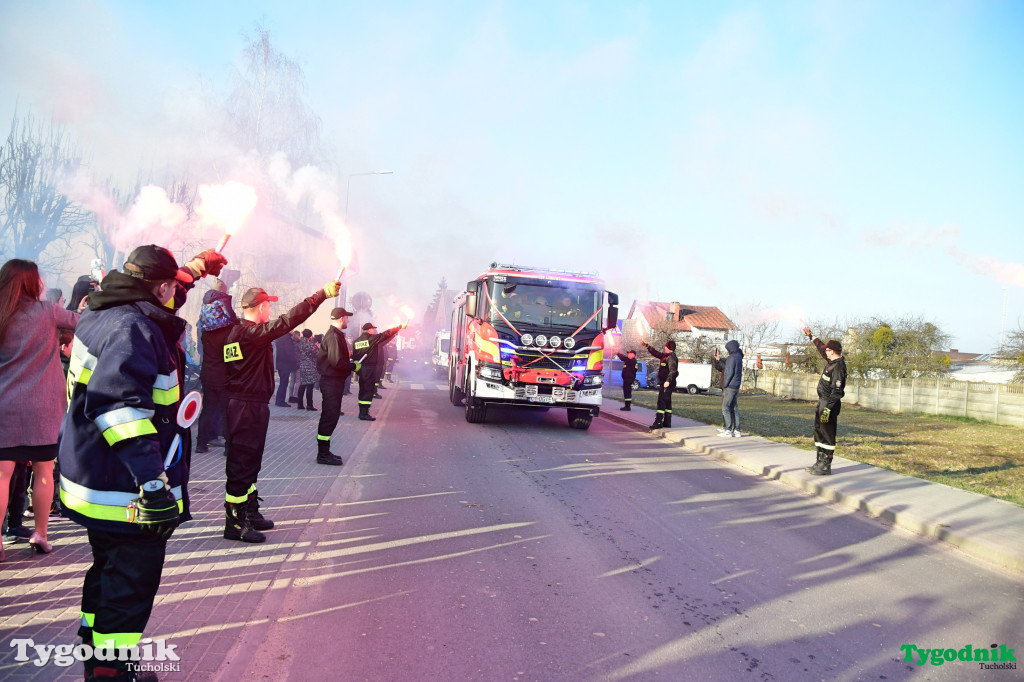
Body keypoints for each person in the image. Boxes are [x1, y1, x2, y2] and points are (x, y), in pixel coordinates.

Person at [58, 245, 223, 680]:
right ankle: (112, 671)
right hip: (127, 489)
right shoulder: (134, 328)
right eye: (173, 287)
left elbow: (156, 300)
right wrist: (153, 483)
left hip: (96, 479)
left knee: (107, 572)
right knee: (129, 586)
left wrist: (193, 271)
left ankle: (97, 656)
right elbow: (119, 409)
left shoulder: (104, 310)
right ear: (162, 287)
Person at [221, 280, 339, 543]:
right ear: (261, 307)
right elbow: (288, 321)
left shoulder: (238, 333)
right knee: (241, 463)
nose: (269, 312)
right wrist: (320, 295)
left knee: (250, 461)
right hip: (246, 405)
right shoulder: (250, 334)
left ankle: (249, 510)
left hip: (248, 404)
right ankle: (234, 521)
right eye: (267, 306)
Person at [0, 259, 79, 561]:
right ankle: (40, 534)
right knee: (44, 471)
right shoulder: (48, 312)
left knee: (2, 474)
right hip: (43, 406)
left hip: (5, 403)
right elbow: (82, 323)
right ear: (33, 283)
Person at [196, 282, 238, 453]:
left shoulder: (205, 330)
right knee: (226, 411)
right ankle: (229, 447)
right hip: (224, 377)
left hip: (207, 375)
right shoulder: (228, 330)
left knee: (207, 410)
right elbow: (233, 357)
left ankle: (200, 444)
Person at [314, 308, 359, 465]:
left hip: (334, 382)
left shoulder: (336, 335)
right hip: (331, 382)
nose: (348, 320)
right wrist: (353, 366)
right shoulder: (333, 336)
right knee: (329, 417)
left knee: (331, 416)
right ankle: (323, 454)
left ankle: (324, 452)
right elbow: (336, 362)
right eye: (347, 318)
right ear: (341, 318)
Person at [804, 328, 846, 476]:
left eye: (828, 350)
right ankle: (819, 461)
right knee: (819, 431)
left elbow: (838, 391)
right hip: (822, 403)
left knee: (827, 433)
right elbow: (821, 348)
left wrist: (828, 408)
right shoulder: (831, 361)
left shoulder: (838, 367)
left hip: (829, 405)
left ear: (833, 351)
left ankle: (826, 465)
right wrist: (811, 336)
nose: (825, 352)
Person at [352, 322, 404, 421]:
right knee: (368, 390)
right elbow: (386, 334)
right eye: (373, 329)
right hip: (370, 369)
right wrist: (399, 327)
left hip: (361, 369)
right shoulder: (372, 339)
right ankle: (364, 414)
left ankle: (361, 412)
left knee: (362, 389)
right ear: (369, 330)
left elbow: (355, 356)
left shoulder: (356, 341)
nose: (374, 331)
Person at [644, 339, 679, 430]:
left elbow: (673, 370)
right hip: (664, 382)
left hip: (667, 383)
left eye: (666, 346)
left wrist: (668, 381)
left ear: (669, 348)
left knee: (662, 401)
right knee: (667, 402)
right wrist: (647, 346)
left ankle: (658, 422)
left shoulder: (671, 357)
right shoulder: (665, 356)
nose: (664, 347)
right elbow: (656, 353)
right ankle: (667, 422)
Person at [713, 340, 744, 437]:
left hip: (729, 386)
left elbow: (728, 372)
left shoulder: (731, 357)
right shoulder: (738, 357)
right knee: (734, 408)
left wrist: (725, 385)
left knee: (725, 407)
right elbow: (726, 368)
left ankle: (728, 429)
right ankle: (737, 430)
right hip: (735, 386)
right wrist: (718, 359)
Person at [273, 330, 299, 407]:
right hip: (285, 364)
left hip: (281, 364)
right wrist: (294, 361)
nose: (293, 330)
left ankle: (279, 400)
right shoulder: (286, 338)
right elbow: (289, 352)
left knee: (283, 383)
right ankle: (280, 401)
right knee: (284, 383)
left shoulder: (281, 337)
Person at [297, 329, 319, 410]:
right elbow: (317, 354)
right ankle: (309, 405)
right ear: (310, 336)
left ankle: (300, 404)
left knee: (302, 385)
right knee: (310, 386)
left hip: (302, 365)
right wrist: (317, 347)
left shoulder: (300, 343)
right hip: (310, 366)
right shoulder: (309, 344)